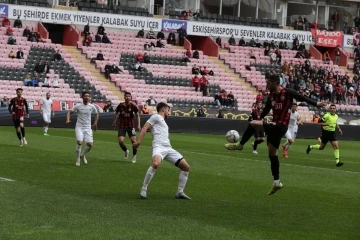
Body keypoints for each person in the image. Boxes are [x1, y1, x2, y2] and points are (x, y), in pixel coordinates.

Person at [225, 73, 325, 195]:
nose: (266, 85)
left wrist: (316, 104)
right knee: (272, 154)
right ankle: (277, 182)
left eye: (268, 83)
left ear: (275, 83)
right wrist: (260, 118)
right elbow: (267, 108)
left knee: (252, 124)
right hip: (274, 125)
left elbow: (302, 97)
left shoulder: (288, 92)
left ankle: (240, 145)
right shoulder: (272, 95)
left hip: (281, 126)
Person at [133, 102, 191, 200]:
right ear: (163, 109)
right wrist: (139, 142)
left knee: (186, 167)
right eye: (168, 110)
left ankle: (180, 192)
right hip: (158, 146)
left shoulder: (163, 121)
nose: (169, 112)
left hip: (168, 148)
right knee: (155, 164)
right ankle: (144, 188)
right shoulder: (156, 116)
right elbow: (145, 128)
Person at [66, 92, 99, 167]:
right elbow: (69, 112)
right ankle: (77, 159)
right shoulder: (78, 106)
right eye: (85, 96)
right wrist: (68, 119)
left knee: (90, 145)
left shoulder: (92, 106)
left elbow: (96, 114)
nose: (87, 97)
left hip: (88, 128)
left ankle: (82, 155)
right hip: (79, 127)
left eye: (88, 96)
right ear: (82, 97)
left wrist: (95, 123)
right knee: (79, 142)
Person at [112, 92, 141, 163]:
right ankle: (126, 151)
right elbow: (116, 113)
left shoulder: (133, 106)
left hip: (131, 126)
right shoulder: (120, 105)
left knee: (134, 142)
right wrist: (114, 122)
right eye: (126, 96)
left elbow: (137, 115)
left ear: (131, 97)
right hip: (122, 126)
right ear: (124, 97)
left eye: (129, 96)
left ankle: (134, 156)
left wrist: (139, 125)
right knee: (121, 141)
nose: (128, 97)